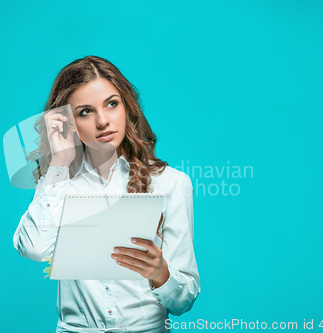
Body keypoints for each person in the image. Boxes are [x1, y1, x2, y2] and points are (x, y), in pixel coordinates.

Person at [13, 55, 200, 333]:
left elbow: (183, 301)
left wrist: (161, 273)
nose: (103, 121)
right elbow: (33, 248)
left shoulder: (171, 183)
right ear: (66, 122)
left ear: (127, 107)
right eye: (85, 111)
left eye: (111, 104)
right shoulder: (58, 181)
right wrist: (58, 164)